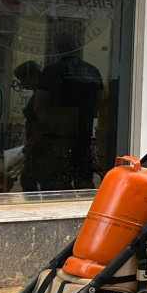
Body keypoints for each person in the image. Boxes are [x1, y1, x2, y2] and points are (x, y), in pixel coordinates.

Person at [35, 33, 104, 190]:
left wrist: (48, 125)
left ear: (57, 49)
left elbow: (39, 104)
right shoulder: (92, 71)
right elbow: (101, 101)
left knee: (56, 178)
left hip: (57, 136)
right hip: (83, 133)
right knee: (83, 175)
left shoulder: (51, 71)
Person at [13, 61, 44, 192]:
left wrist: (31, 143)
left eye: (22, 80)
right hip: (36, 142)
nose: (21, 84)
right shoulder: (38, 93)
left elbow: (43, 122)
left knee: (28, 178)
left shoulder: (42, 95)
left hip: (40, 143)